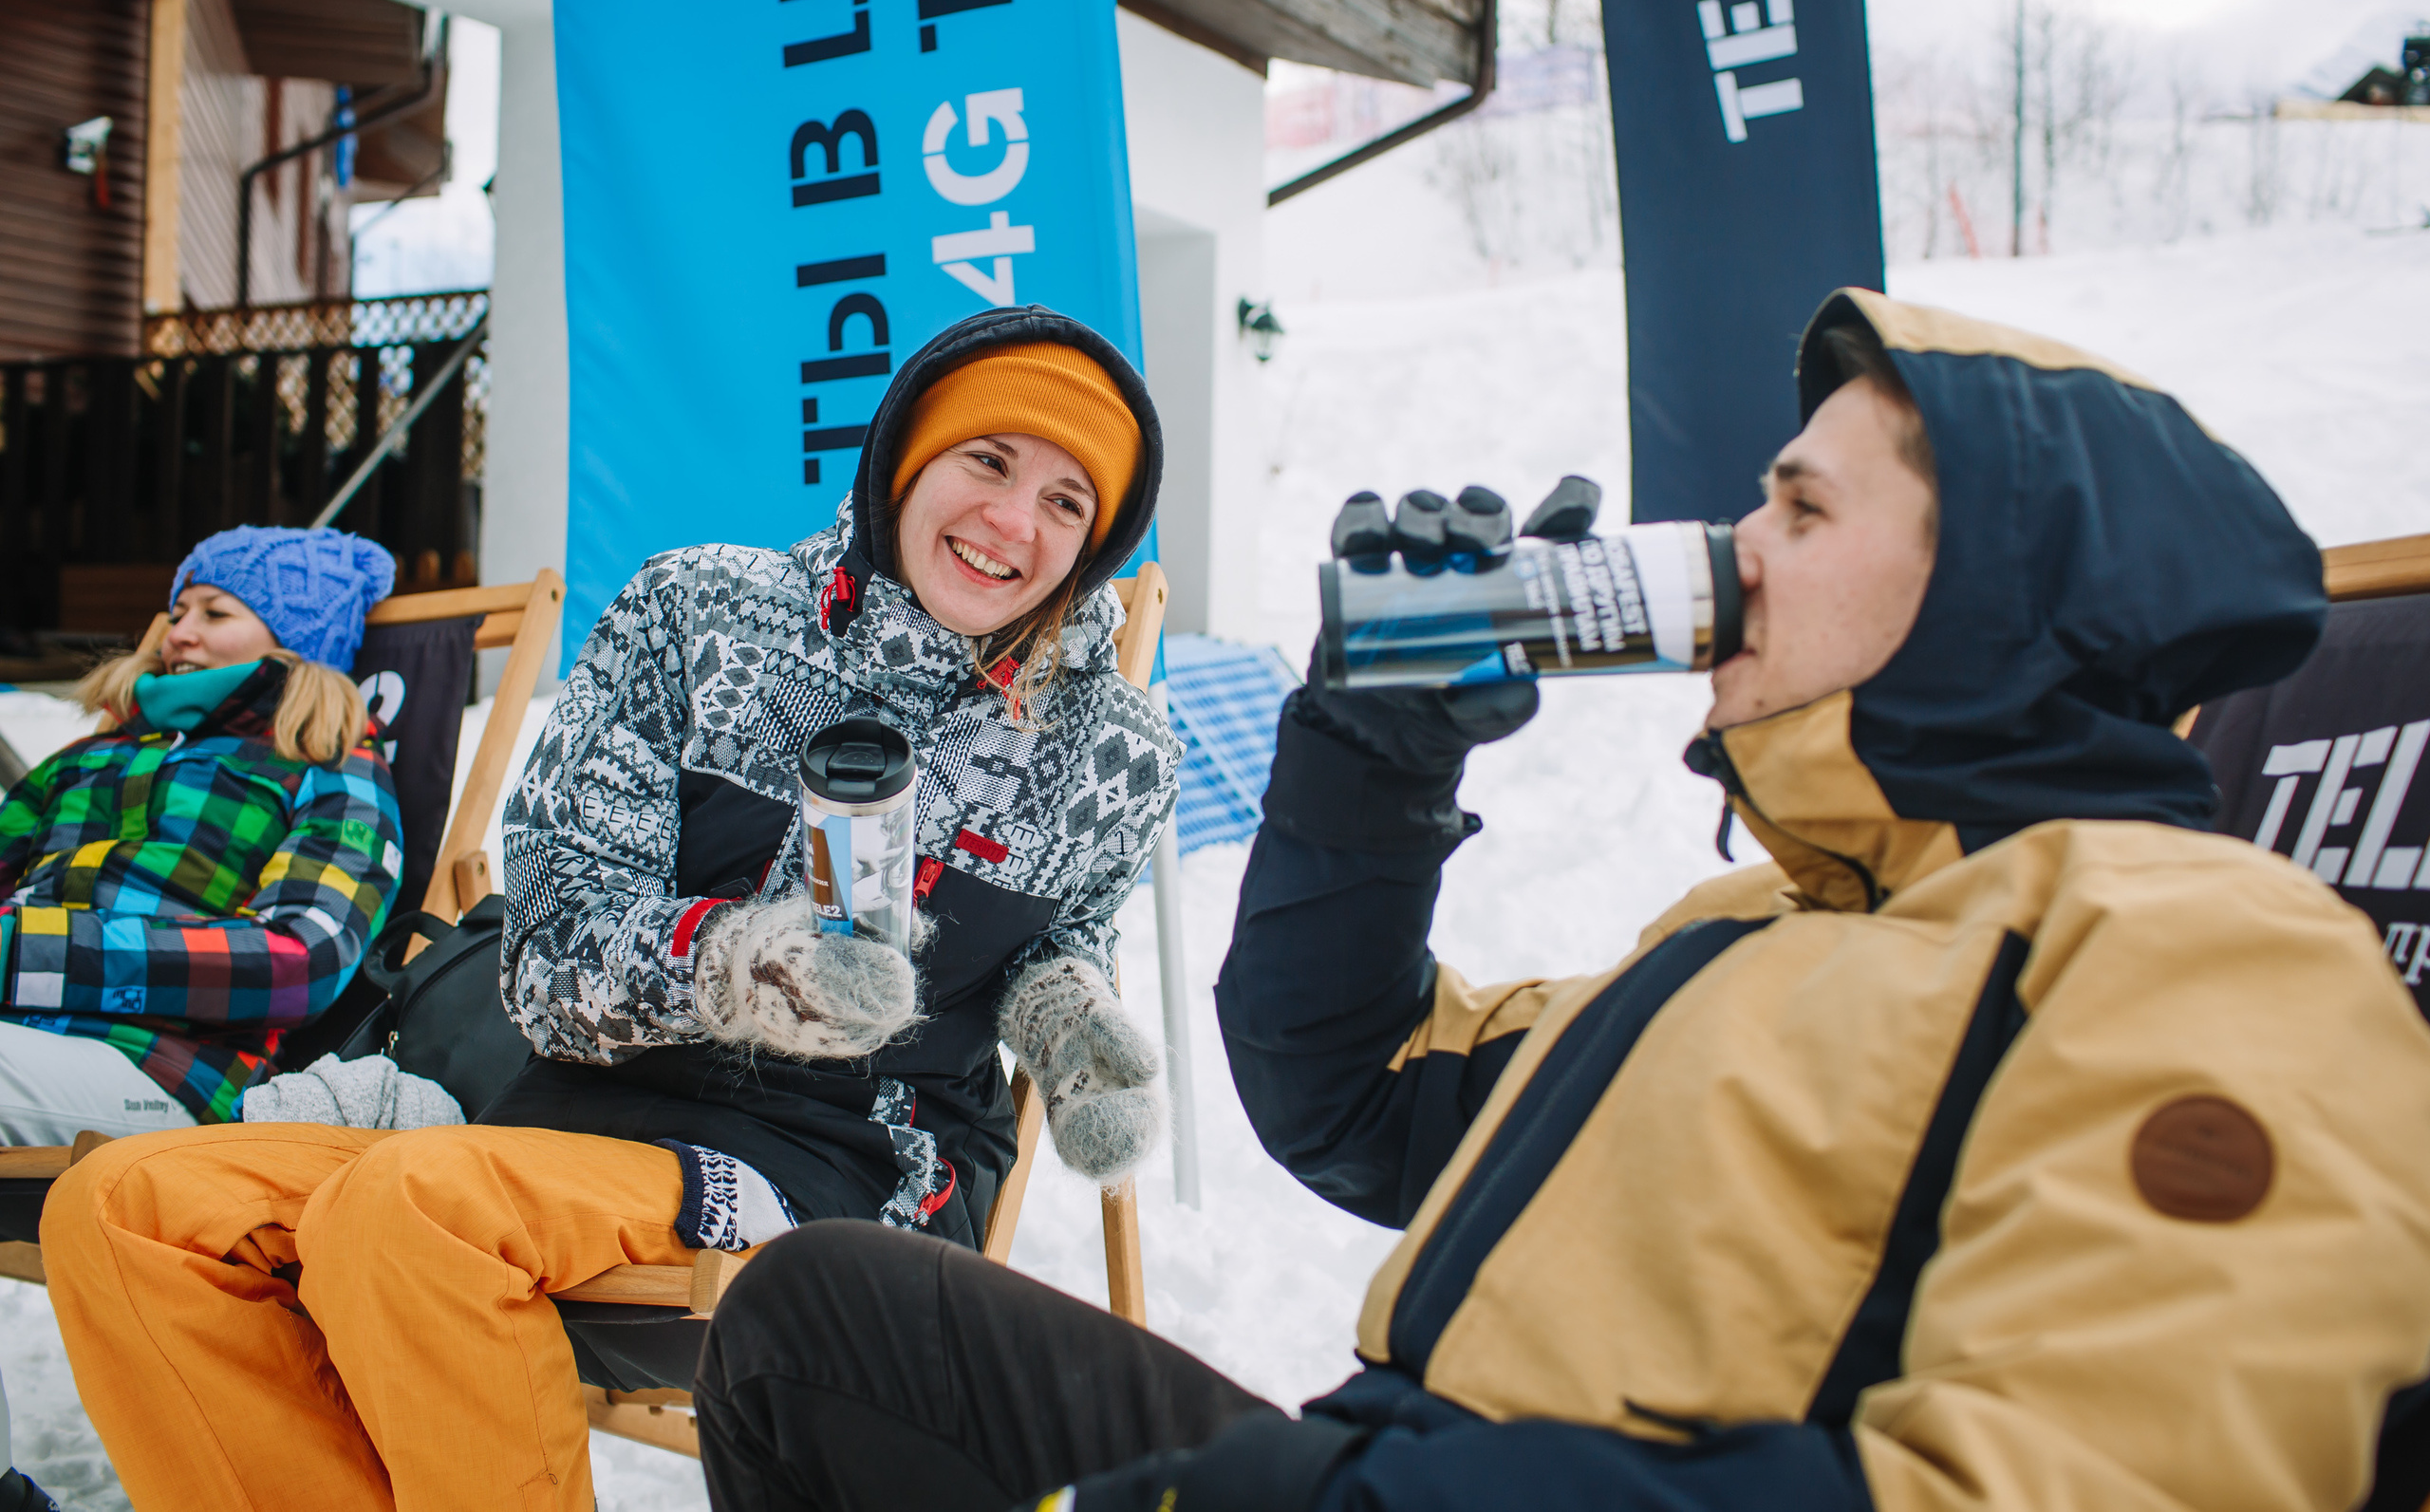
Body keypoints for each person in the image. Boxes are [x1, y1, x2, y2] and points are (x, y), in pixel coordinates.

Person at [679, 289, 2430, 1512]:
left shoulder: (2195, 952)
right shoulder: (1759, 932)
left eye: (1799, 508)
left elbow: (2115, 1478)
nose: (1735, 546)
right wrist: (1370, 757)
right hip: (1382, 1467)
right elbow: (1351, 1094)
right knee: (822, 1322)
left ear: (1991, 587)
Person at [41, 307, 1183, 1512]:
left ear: (1094, 542)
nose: (1014, 520)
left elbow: (1059, 939)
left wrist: (1069, 1017)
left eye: (1067, 501)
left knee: (414, 1208)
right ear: (905, 456)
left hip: (847, 1167)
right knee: (124, 1210)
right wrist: (743, 965)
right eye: (988, 460)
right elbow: (549, 953)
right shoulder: (697, 612)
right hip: (566, 1111)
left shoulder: (1110, 746)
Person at [0, 526, 402, 1142]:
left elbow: (300, 962)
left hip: (161, 1069)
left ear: (295, 642)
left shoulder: (329, 763)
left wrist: (30, 951)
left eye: (215, 613)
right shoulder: (90, 754)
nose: (179, 633)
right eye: (176, 613)